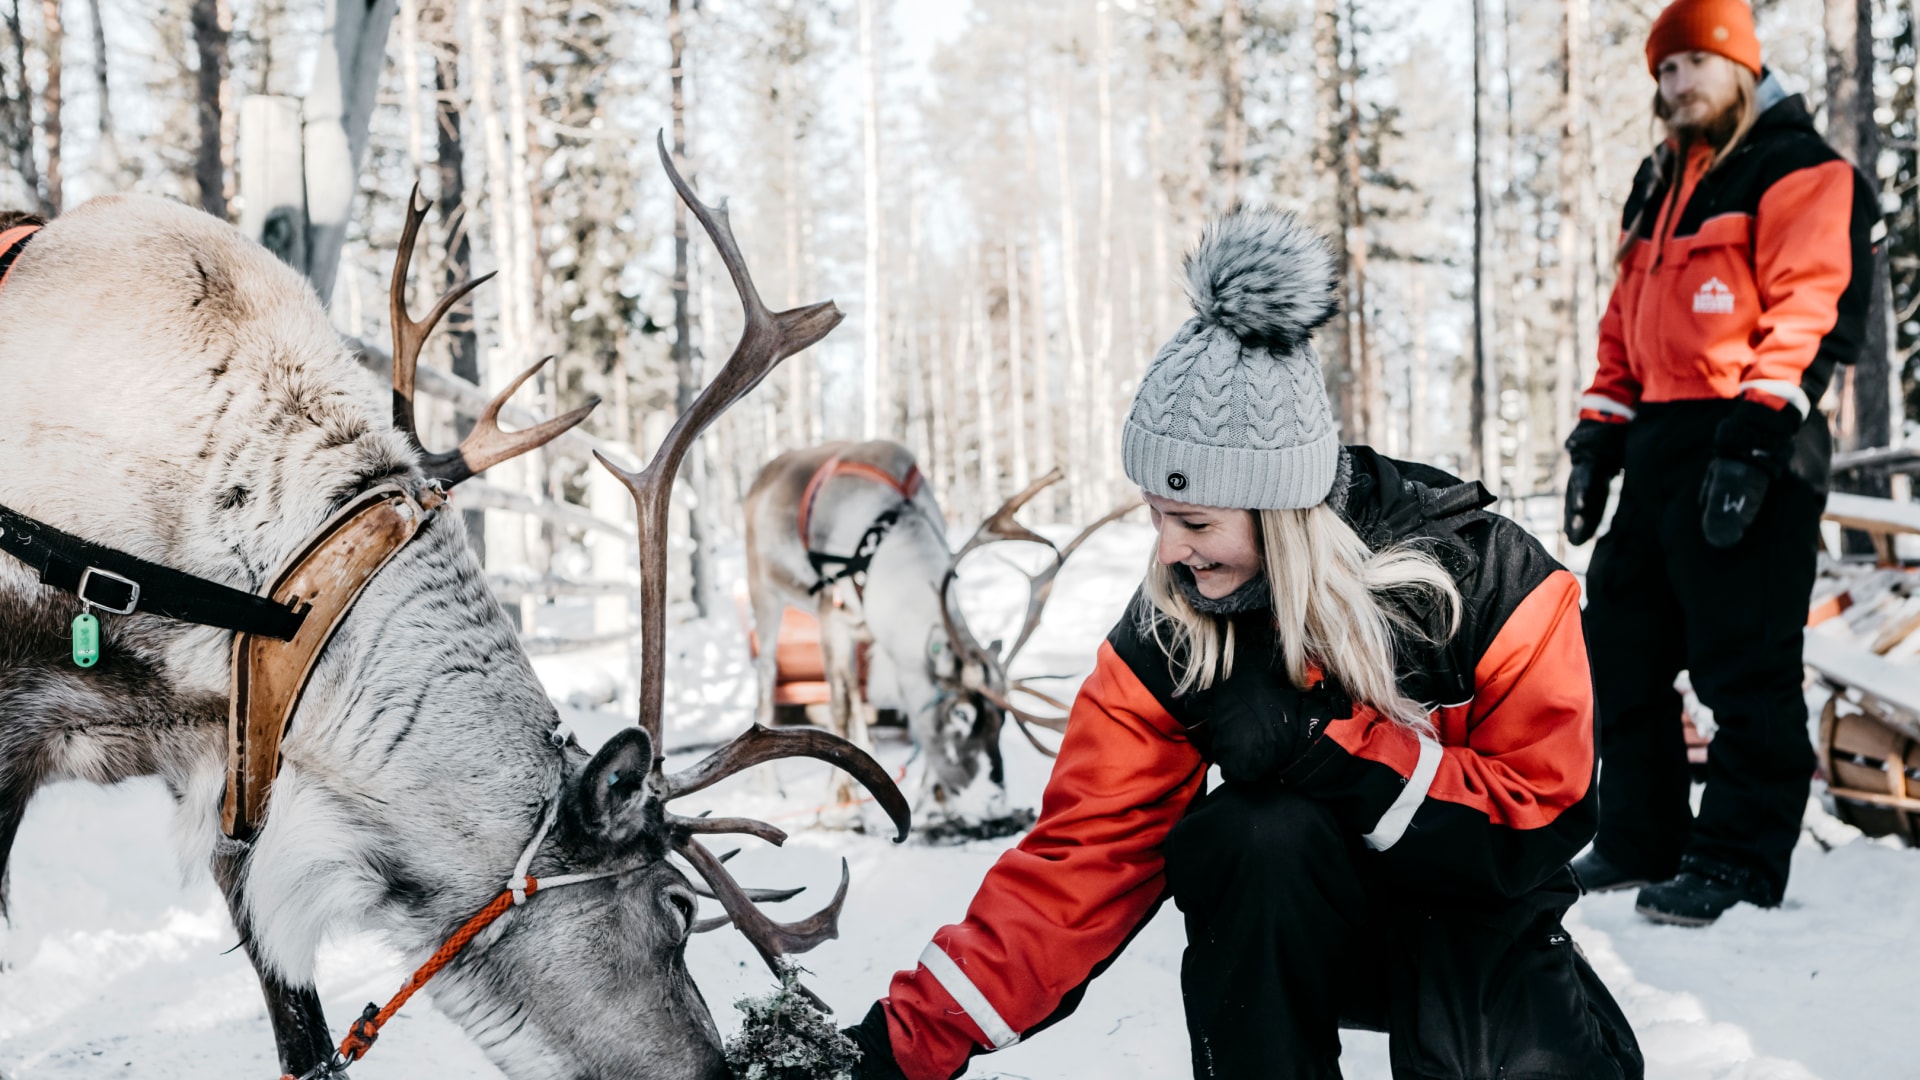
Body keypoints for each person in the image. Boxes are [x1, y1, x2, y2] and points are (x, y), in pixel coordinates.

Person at [841, 210, 1642, 1080]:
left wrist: (1330, 750)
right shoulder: (1178, 628)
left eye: (1194, 520)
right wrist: (898, 1046)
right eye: (1155, 516)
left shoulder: (1491, 577)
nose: (1168, 551)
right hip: (1320, 940)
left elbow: (1544, 813)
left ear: (1283, 511)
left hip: (1481, 918)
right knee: (1251, 833)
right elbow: (1077, 864)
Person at [1563, 0, 1874, 927]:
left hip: (1755, 443)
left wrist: (1752, 442)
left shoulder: (1801, 169)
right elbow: (1624, 327)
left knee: (1744, 665)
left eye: (1693, 63)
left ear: (1739, 64)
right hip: (1660, 440)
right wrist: (1596, 443)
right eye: (1663, 70)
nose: (1676, 84)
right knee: (1620, 645)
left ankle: (1739, 855)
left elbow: (1807, 309)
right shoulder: (1659, 182)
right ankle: (1640, 833)